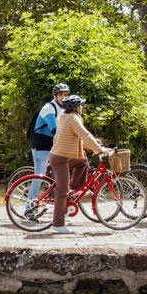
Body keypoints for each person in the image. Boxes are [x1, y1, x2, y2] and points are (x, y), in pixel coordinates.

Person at [48, 94, 111, 234]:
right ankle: (58, 223)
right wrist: (100, 150)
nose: (81, 107)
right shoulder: (73, 119)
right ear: (75, 108)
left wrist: (95, 145)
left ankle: (74, 190)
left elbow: (78, 139)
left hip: (62, 155)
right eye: (80, 105)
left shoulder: (64, 117)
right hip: (60, 159)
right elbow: (85, 135)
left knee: (82, 162)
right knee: (61, 192)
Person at [26, 83, 70, 213]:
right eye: (61, 95)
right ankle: (29, 207)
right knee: (39, 176)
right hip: (41, 147)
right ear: (54, 96)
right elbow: (54, 129)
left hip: (52, 147)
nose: (63, 97)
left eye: (65, 95)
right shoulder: (49, 108)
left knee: (59, 178)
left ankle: (60, 208)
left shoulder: (63, 109)